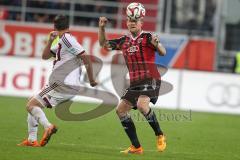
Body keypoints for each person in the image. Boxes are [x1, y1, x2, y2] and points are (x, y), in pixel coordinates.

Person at [18, 15, 97, 147]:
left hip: (60, 83)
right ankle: (32, 140)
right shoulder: (62, 42)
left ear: (54, 26)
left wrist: (92, 79)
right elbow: (45, 56)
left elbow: (85, 57)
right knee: (33, 103)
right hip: (68, 87)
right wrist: (50, 40)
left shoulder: (67, 40)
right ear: (68, 26)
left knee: (30, 106)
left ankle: (48, 127)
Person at [98, 5, 167, 154]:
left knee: (142, 106)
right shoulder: (124, 41)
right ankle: (136, 147)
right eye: (130, 20)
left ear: (141, 22)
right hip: (135, 82)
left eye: (135, 20)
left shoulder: (148, 37)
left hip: (151, 78)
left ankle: (159, 134)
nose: (132, 22)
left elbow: (162, 51)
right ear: (127, 22)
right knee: (120, 110)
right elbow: (104, 45)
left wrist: (157, 45)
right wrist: (102, 29)